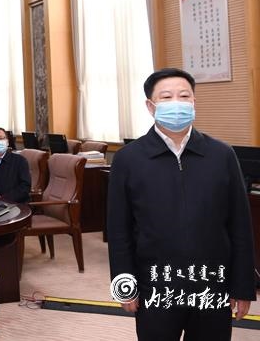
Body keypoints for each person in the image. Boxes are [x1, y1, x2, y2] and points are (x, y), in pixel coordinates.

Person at [108, 68, 255, 340]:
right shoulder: (128, 159)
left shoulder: (221, 155)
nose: (177, 103)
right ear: (150, 106)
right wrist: (124, 286)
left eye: (184, 96)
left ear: (194, 102)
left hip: (212, 282)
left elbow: (240, 226)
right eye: (166, 97)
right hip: (155, 283)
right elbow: (119, 230)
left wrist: (243, 286)